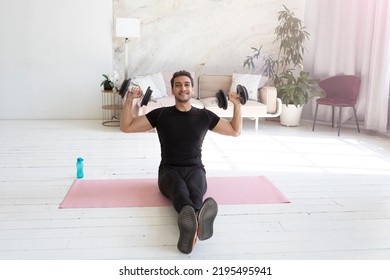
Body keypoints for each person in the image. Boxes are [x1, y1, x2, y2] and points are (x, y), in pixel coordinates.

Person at [120, 70, 242, 254]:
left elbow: (234, 130)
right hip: (169, 172)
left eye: (186, 84)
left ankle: (191, 223)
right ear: (172, 90)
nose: (182, 88)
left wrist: (238, 105)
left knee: (195, 189)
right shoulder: (160, 115)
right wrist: (130, 100)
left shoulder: (204, 116)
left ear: (192, 89)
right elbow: (126, 127)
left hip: (195, 170)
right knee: (179, 189)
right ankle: (195, 215)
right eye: (178, 85)